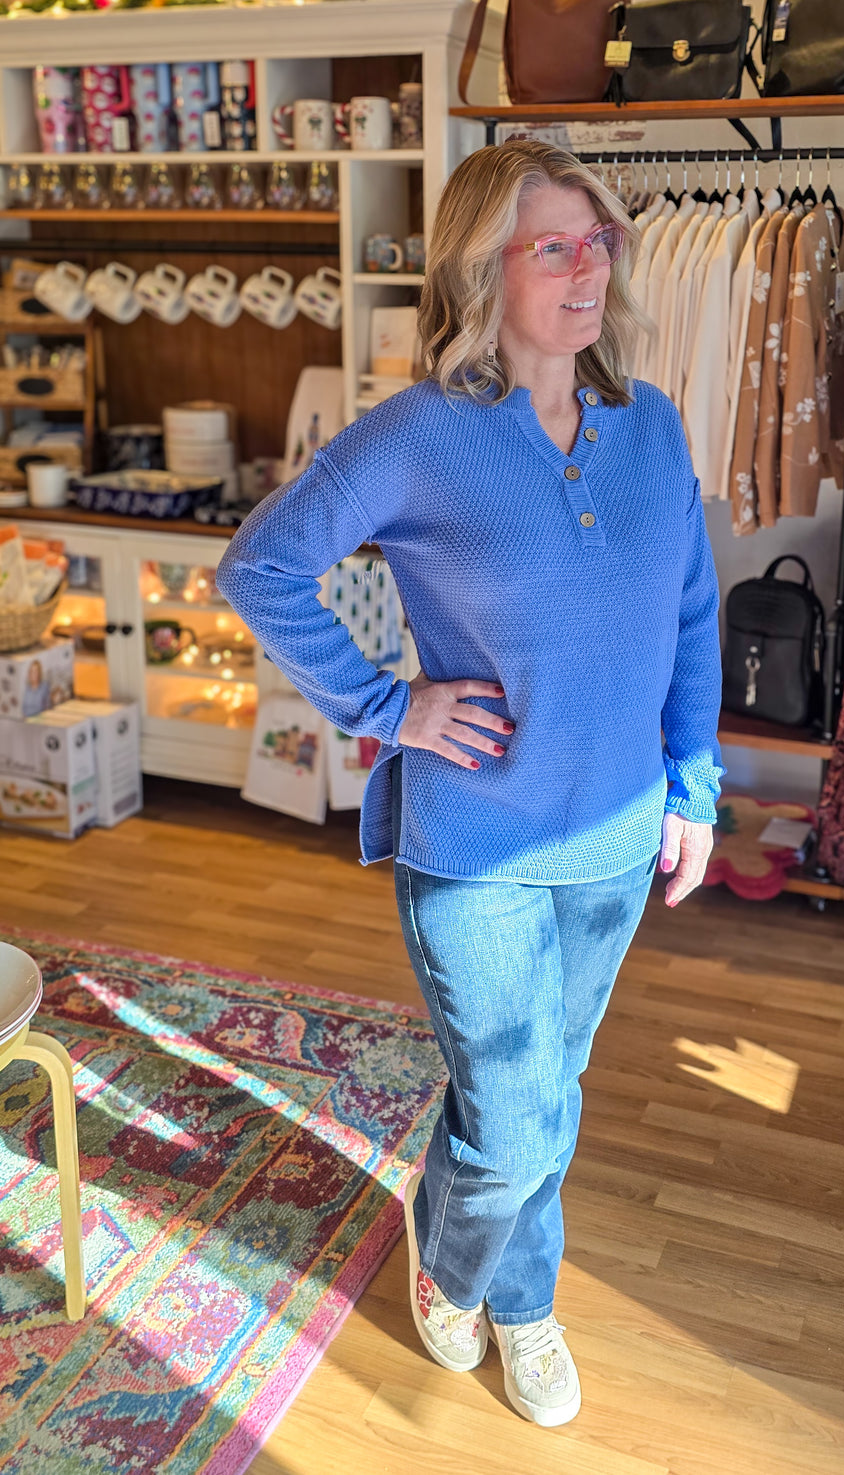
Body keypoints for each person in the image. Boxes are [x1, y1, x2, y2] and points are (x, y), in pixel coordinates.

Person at [215, 138, 725, 1428]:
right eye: (552, 245)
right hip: (480, 841)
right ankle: (482, 1284)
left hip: (615, 838)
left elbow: (689, 614)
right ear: (478, 269)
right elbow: (263, 568)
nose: (586, 267)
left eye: (598, 239)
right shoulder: (419, 436)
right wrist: (391, 706)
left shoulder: (651, 425)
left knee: (546, 1094)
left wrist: (694, 787)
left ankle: (495, 1271)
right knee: (512, 1123)